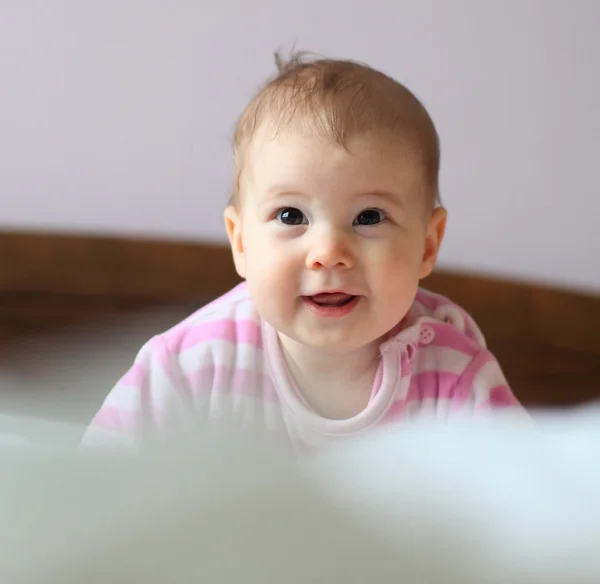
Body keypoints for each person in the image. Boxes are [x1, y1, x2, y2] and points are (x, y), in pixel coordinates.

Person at [82, 52, 525, 452]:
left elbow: (531, 506)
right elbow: (91, 491)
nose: (329, 254)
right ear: (240, 242)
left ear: (427, 245)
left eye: (368, 217)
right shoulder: (189, 367)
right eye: (291, 216)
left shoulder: (453, 376)